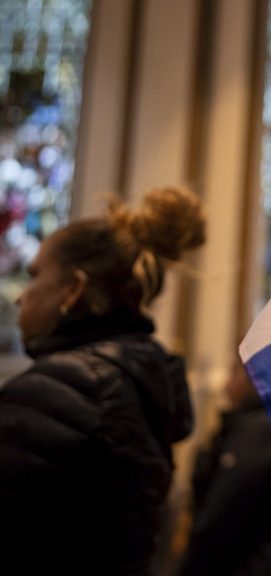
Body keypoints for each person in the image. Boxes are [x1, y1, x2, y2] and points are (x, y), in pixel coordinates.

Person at [0, 186, 205, 573]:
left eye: (35, 275)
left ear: (74, 288)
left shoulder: (54, 391)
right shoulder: (137, 380)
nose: (21, 298)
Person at [178, 360, 271, 576]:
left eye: (234, 372)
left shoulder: (260, 432)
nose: (225, 384)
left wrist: (188, 568)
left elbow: (221, 516)